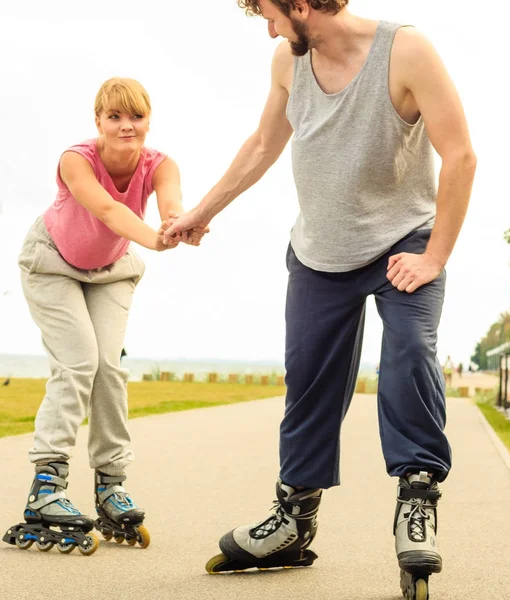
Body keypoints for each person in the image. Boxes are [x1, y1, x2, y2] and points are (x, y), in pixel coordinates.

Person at [164, 1, 476, 597]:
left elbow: (461, 154)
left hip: (403, 243)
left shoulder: (406, 51)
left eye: (270, 15)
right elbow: (263, 144)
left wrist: (435, 256)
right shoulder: (288, 60)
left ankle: (417, 501)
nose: (270, 29)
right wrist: (200, 214)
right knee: (307, 379)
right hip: (320, 251)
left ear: (301, 4)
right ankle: (293, 519)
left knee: (409, 354)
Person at [3, 78, 206, 556]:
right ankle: (47, 487)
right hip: (52, 263)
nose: (125, 125)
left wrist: (177, 224)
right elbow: (109, 210)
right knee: (77, 364)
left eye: (134, 116)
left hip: (110, 270)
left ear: (147, 121)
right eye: (114, 117)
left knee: (109, 369)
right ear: (98, 122)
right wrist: (156, 241)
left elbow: (170, 199)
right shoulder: (75, 159)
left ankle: (110, 484)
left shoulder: (160, 163)